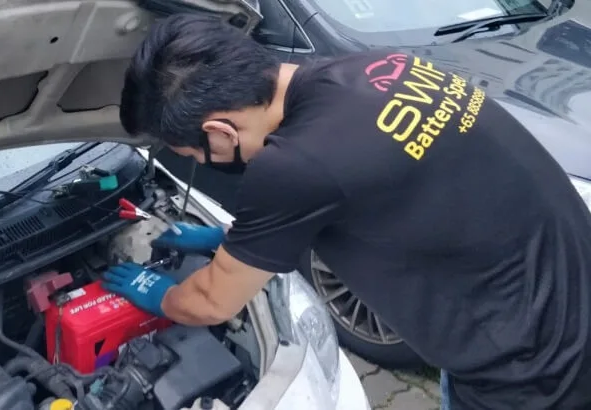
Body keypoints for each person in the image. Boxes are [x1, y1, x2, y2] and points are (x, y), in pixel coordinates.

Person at [99, 13, 591, 410]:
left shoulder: (292, 164)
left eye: (191, 155)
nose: (199, 164)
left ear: (221, 132)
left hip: (527, 374)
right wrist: (224, 239)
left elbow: (210, 302)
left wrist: (157, 292)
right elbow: (371, 196)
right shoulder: (377, 68)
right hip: (569, 300)